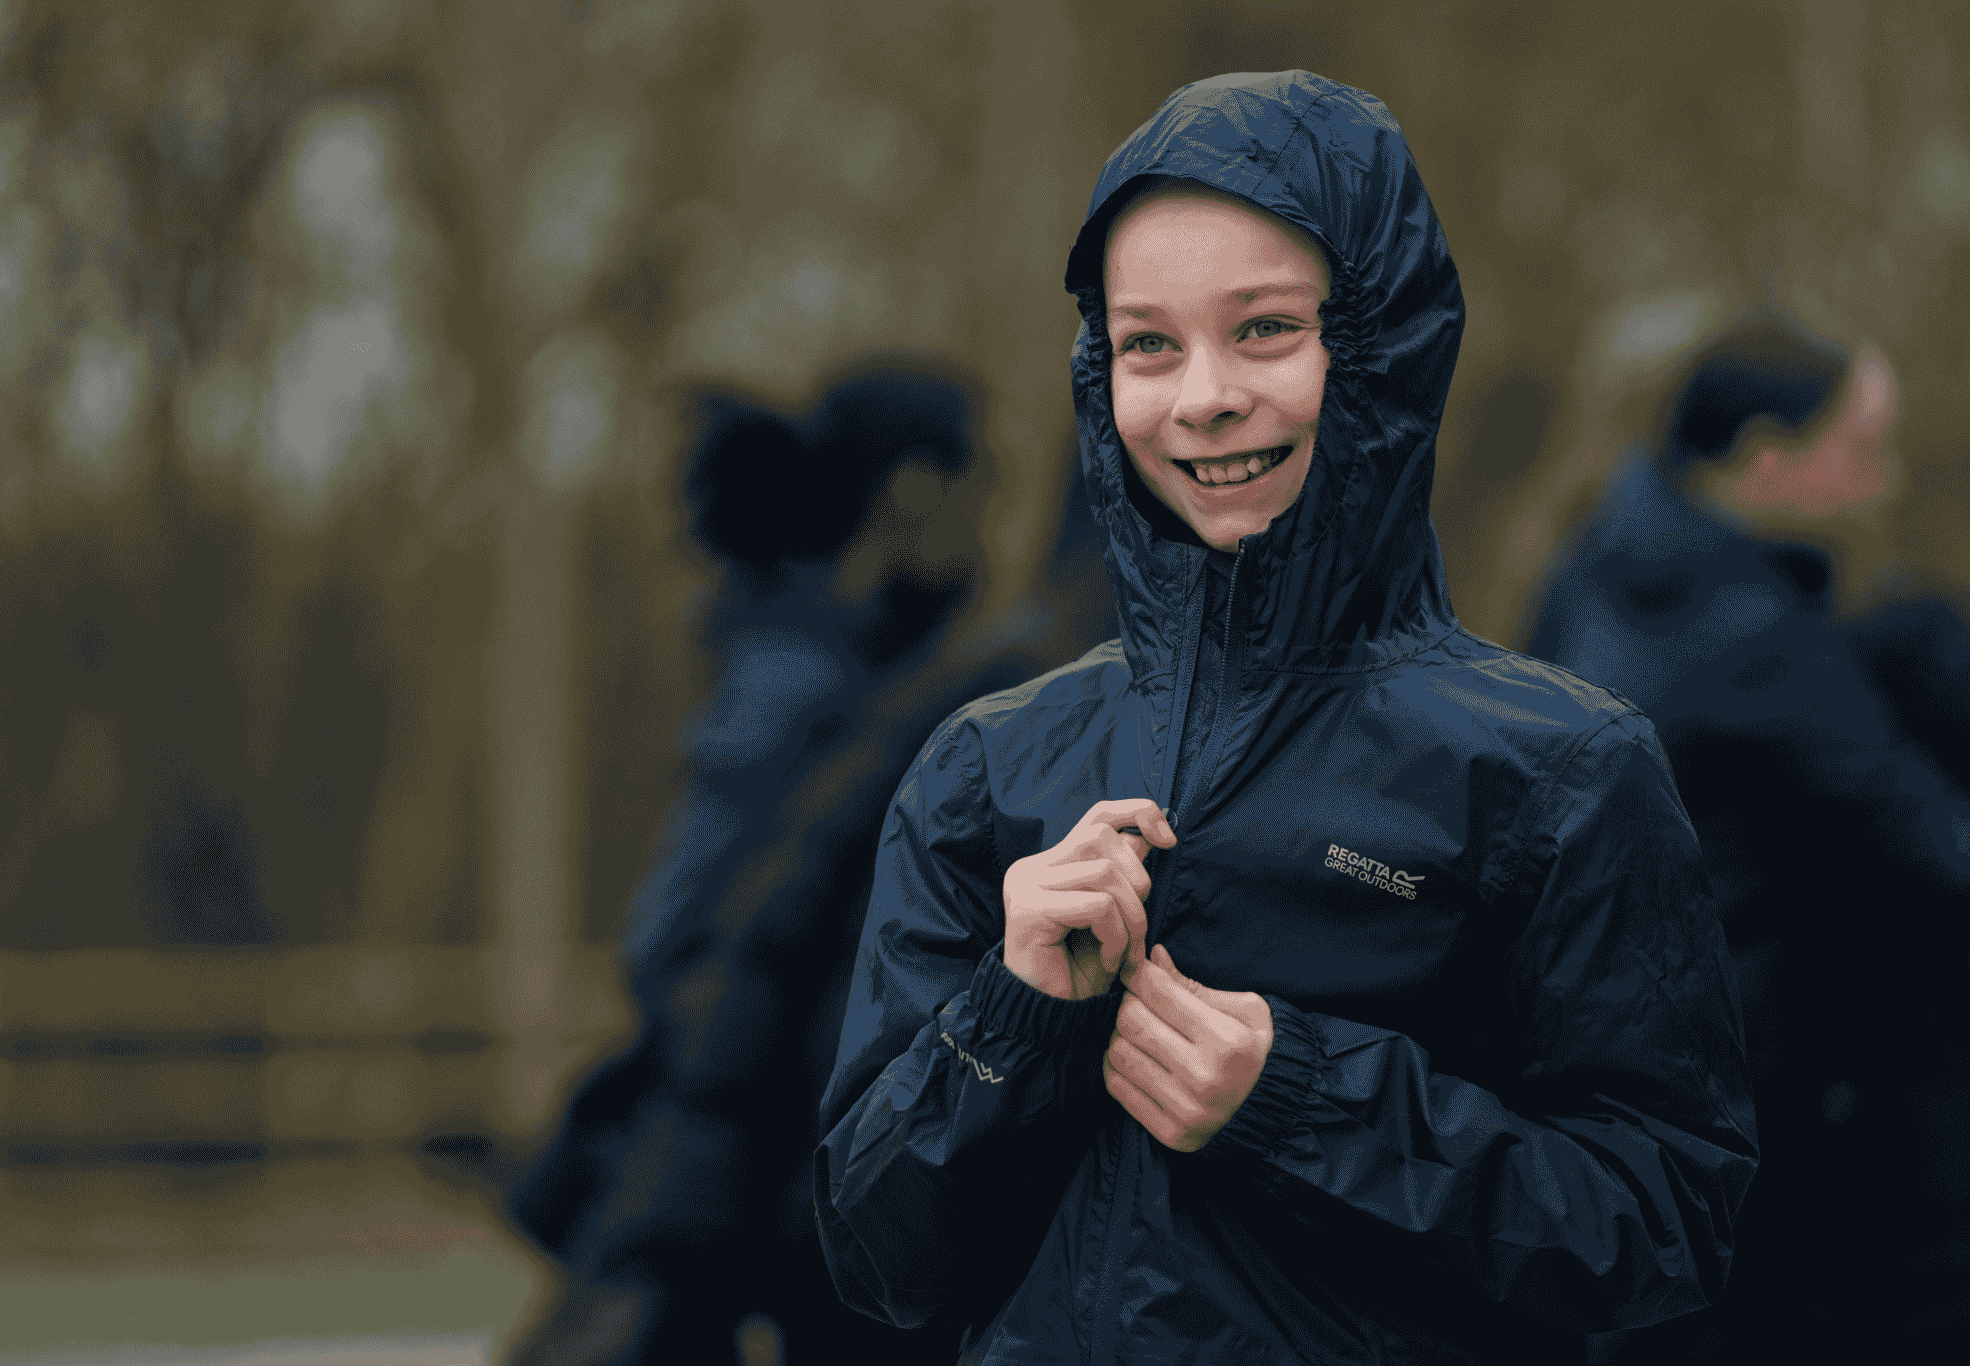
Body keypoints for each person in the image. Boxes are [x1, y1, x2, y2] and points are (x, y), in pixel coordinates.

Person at [815, 70, 1758, 1366]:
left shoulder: (1559, 767)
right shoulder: (987, 762)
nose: (1201, 395)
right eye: (1148, 343)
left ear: (1379, 347)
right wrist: (1009, 1014)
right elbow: (875, 1256)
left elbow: (1669, 1224)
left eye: (1262, 329)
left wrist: (1309, 1103)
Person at [501, 363, 1116, 1366]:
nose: (991, 515)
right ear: (916, 489)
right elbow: (696, 941)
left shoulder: (899, 675)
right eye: (980, 481)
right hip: (769, 1168)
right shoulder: (813, 690)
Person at [1527, 318, 1970, 1361]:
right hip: (1759, 1089)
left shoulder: (1606, 558)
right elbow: (1926, 837)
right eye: (1863, 447)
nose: (1887, 479)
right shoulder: (1751, 639)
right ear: (1768, 458)